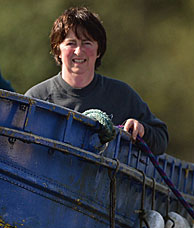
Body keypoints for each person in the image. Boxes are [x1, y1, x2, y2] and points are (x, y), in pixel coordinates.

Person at [25, 7, 168, 155]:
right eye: (71, 43)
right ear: (57, 50)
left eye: (87, 43)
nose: (79, 51)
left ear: (98, 50)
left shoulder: (122, 95)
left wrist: (142, 130)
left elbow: (161, 139)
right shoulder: (37, 98)